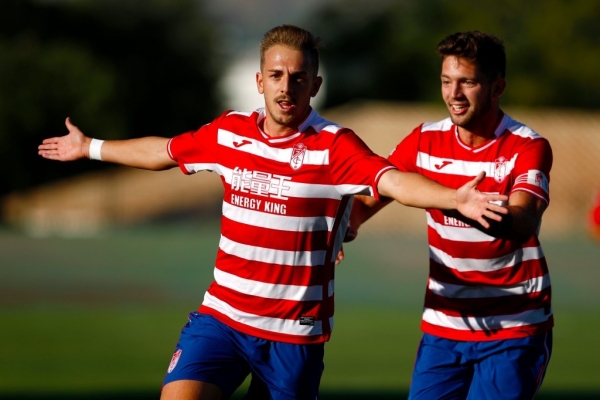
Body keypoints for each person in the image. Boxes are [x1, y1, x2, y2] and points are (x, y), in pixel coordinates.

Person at [38, 25, 507, 400]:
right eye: (277, 76)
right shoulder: (228, 134)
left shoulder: (334, 146)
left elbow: (393, 182)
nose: (287, 88)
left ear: (315, 85)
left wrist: (456, 198)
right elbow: (162, 151)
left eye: (299, 78)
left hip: (293, 336)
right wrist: (90, 147)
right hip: (222, 318)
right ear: (259, 81)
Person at [349, 31, 553, 399]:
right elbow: (363, 206)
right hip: (444, 326)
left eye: (467, 83)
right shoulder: (423, 141)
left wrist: (479, 210)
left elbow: (525, 222)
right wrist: (330, 227)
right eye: (446, 82)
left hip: (513, 326)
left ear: (497, 87)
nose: (453, 95)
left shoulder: (527, 146)